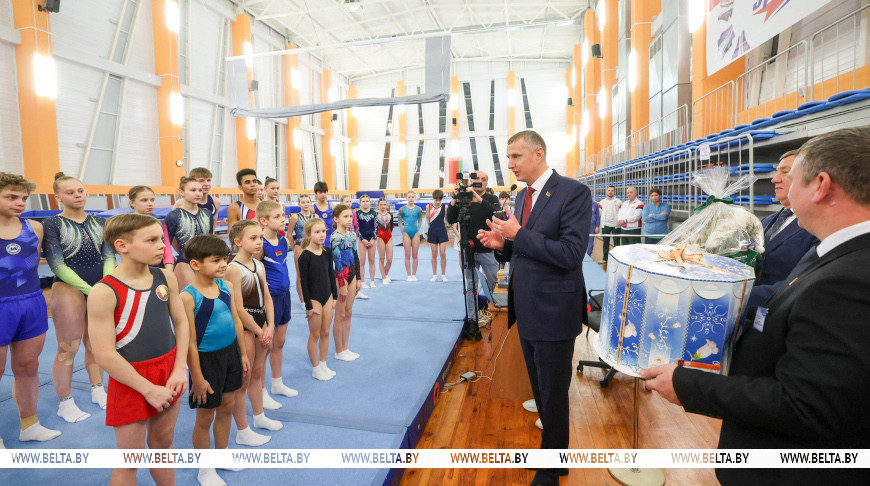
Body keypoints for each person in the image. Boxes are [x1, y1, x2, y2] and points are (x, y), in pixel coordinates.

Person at [642, 128, 870, 485]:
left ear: (820, 185)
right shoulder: (833, 253)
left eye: (792, 177)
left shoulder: (849, 278)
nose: (782, 185)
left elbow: (805, 405)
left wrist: (688, 385)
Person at [478, 130, 590, 486]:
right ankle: (553, 459)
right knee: (541, 390)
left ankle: (551, 468)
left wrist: (517, 235)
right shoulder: (524, 195)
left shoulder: (574, 192)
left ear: (537, 154)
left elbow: (571, 254)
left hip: (555, 311)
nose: (509, 164)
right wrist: (503, 245)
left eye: (515, 157)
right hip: (526, 308)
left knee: (553, 395)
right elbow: (528, 247)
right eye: (508, 158)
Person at [87, 213, 188, 485]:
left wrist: (180, 368)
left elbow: (181, 322)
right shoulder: (104, 291)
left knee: (163, 446)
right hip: (131, 378)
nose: (162, 246)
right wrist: (147, 388)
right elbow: (104, 354)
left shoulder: (166, 276)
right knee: (129, 460)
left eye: (162, 239)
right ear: (122, 246)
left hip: (168, 369)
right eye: (152, 240)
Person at [44, 172, 115, 422]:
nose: (77, 195)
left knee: (96, 342)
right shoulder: (52, 224)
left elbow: (108, 256)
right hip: (68, 287)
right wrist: (90, 289)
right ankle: (65, 402)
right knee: (68, 347)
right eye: (70, 192)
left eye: (80, 191)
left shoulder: (99, 221)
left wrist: (105, 284)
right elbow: (56, 264)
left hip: (99, 285)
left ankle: (98, 389)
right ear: (58, 197)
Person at [180, 234, 251, 484]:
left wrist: (242, 353)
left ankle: (221, 456)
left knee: (228, 406)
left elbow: (236, 321)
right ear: (196, 264)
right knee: (205, 416)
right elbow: (188, 342)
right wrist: (197, 377)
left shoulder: (226, 287)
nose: (223, 264)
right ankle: (205, 469)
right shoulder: (188, 297)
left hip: (230, 353)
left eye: (225, 259)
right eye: (216, 260)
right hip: (205, 360)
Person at [0, 173, 61, 448]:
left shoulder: (34, 228)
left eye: (24, 198)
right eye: (11, 197)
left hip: (31, 302)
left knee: (28, 366)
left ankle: (30, 425)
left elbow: (33, 263)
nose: (20, 202)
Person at [742, 150, 818, 328]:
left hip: (782, 320)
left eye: (785, 172)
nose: (774, 179)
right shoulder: (768, 221)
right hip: (751, 318)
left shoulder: (816, 225)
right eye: (777, 172)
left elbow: (803, 281)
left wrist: (739, 294)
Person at [225, 220, 283, 441]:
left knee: (258, 373)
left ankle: (259, 416)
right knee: (244, 378)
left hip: (262, 324)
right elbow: (238, 308)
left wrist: (270, 325)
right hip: (246, 328)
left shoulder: (258, 265)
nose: (259, 242)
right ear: (237, 242)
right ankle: (242, 430)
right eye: (253, 238)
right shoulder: (233, 269)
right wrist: (260, 331)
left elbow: (267, 298)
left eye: (260, 237)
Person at [256, 200, 298, 400]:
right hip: (268, 299)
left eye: (283, 215)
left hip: (285, 294)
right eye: (278, 217)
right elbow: (252, 275)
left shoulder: (283, 241)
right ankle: (261, 391)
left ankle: (277, 383)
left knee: (279, 343)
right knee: (265, 347)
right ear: (263, 221)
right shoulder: (259, 244)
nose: (283, 219)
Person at [446, 171, 501, 294]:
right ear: (471, 181)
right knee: (471, 287)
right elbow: (451, 219)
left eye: (483, 179)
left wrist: (480, 200)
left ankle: (494, 311)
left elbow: (496, 215)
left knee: (494, 283)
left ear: (486, 183)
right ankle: (472, 314)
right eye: (477, 179)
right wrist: (454, 199)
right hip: (469, 250)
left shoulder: (491, 198)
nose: (480, 181)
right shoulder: (463, 199)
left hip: (488, 251)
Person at [298, 218, 338, 380]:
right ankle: (315, 368)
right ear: (308, 235)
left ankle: (323, 364)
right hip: (314, 299)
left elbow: (331, 274)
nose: (322, 235)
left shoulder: (327, 252)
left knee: (326, 331)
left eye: (323, 231)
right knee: (314, 334)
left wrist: (334, 296)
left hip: (327, 296)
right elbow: (304, 283)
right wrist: (308, 305)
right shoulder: (304, 257)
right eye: (317, 232)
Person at [165, 177, 214, 291]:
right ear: (181, 192)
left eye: (200, 190)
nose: (198, 193)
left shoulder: (207, 214)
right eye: (193, 190)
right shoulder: (173, 216)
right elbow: (167, 244)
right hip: (185, 263)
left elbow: (211, 239)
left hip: (207, 262)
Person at [331, 205, 361, 361]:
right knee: (340, 313)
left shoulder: (351, 235)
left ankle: (345, 347)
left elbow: (356, 257)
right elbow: (337, 262)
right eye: (345, 216)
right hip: (340, 277)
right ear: (336, 219)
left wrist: (359, 278)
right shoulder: (335, 238)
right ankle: (338, 350)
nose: (349, 219)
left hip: (352, 275)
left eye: (350, 216)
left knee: (348, 312)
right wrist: (341, 284)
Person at [129, 185, 174, 270]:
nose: (150, 204)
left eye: (152, 200)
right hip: (133, 268)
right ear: (132, 203)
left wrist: (169, 271)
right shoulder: (126, 223)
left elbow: (167, 249)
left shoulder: (160, 222)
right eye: (144, 200)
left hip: (155, 267)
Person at [174, 168, 220, 233]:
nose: (206, 184)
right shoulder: (180, 203)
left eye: (209, 180)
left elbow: (212, 227)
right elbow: (175, 228)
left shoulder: (216, 202)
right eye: (201, 181)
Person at [290, 194, 315, 304]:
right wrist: (293, 247)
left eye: (307, 202)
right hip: (300, 247)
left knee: (313, 274)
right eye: (303, 202)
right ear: (299, 204)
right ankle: (302, 301)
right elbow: (289, 234)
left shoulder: (315, 217)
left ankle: (312, 296)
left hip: (313, 248)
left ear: (310, 203)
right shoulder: (295, 217)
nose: (305, 204)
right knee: (301, 275)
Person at [399, 191, 423, 281]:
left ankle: (414, 274)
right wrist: (403, 231)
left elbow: (420, 219)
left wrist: (418, 230)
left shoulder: (419, 209)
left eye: (413, 197)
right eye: (409, 197)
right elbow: (399, 221)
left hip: (415, 232)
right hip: (406, 232)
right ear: (406, 198)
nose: (411, 198)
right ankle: (409, 275)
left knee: (415, 254)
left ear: (415, 197)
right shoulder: (402, 209)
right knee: (407, 254)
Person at [356, 195, 378, 289]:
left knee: (372, 261)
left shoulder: (374, 213)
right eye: (363, 201)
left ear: (370, 202)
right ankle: (363, 281)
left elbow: (376, 227)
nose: (365, 203)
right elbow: (357, 228)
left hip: (372, 239)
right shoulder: (357, 213)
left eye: (367, 201)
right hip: (362, 239)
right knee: (362, 261)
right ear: (360, 203)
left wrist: (373, 239)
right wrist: (362, 239)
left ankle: (372, 281)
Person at [427, 189, 449, 282]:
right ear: (433, 198)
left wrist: (442, 227)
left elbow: (446, 220)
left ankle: (443, 274)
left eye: (439, 200)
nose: (437, 202)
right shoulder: (428, 206)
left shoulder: (445, 207)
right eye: (436, 199)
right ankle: (435, 274)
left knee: (443, 253)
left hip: (442, 231)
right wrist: (432, 228)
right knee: (434, 254)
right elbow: (428, 219)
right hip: (432, 231)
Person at [598, 185, 621, 263]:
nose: (610, 192)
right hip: (605, 225)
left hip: (616, 225)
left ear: (614, 192)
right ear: (606, 191)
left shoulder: (618, 201)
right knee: (605, 242)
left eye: (612, 190)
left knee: (617, 243)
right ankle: (605, 258)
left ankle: (616, 260)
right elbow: (600, 213)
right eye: (609, 190)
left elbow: (620, 213)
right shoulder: (602, 202)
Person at [375, 197, 394, 284]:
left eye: (384, 204)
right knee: (382, 258)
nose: (383, 206)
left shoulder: (390, 214)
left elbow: (391, 226)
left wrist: (389, 234)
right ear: (378, 205)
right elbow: (374, 228)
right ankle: (383, 277)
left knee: (389, 260)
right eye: (381, 204)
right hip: (380, 237)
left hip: (389, 237)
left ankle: (385, 274)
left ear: (387, 205)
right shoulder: (376, 215)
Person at [312, 181, 335, 247]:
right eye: (320, 192)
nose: (323, 194)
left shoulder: (332, 207)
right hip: (319, 239)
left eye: (325, 192)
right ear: (316, 194)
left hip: (332, 238)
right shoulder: (312, 209)